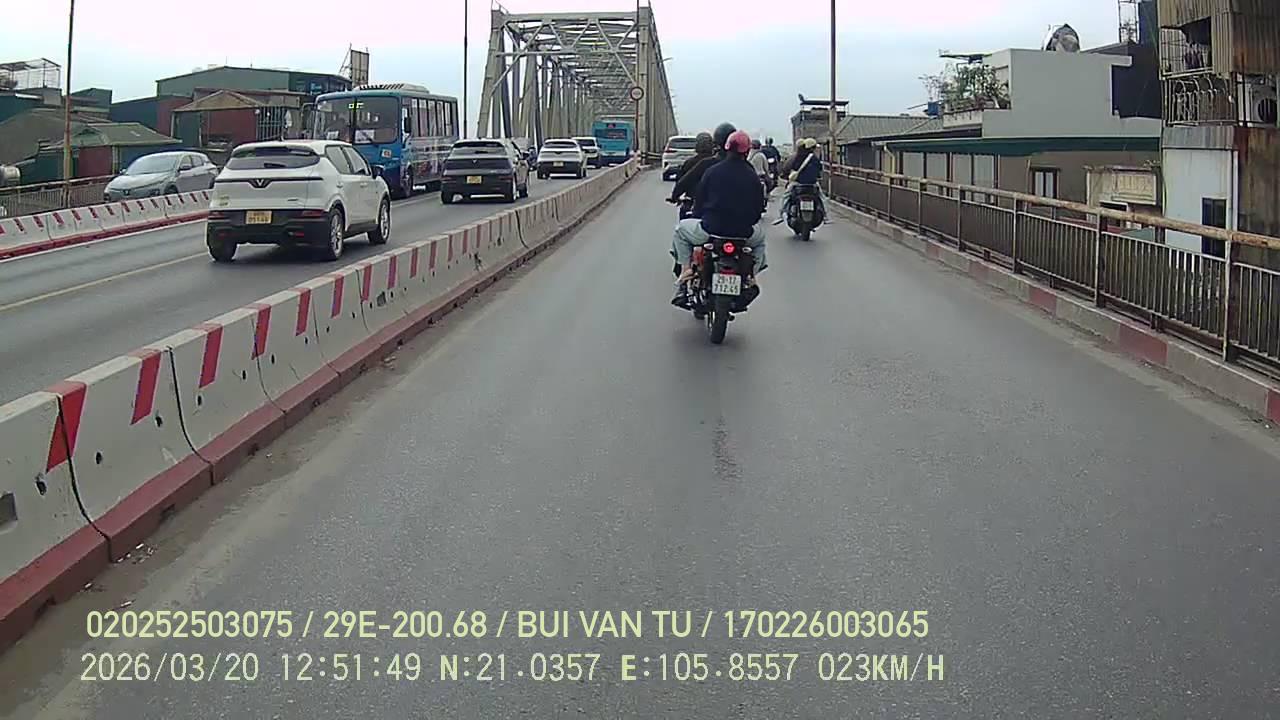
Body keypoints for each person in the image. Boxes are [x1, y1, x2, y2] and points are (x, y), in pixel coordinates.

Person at [670, 129, 768, 307]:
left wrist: (700, 215)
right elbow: (758, 209)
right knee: (760, 240)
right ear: (747, 151)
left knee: (680, 231)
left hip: (711, 230)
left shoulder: (712, 171)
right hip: (743, 233)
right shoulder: (752, 175)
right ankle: (751, 277)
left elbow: (699, 203)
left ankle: (686, 270)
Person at [669, 123, 735, 204]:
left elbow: (682, 183)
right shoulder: (743, 166)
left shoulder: (704, 164)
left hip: (705, 207)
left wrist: (674, 196)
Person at [782, 137, 825, 221]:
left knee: (786, 196)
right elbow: (820, 169)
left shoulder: (797, 157)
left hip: (798, 183)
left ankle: (782, 214)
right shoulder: (814, 158)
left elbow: (792, 167)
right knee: (822, 198)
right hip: (812, 184)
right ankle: (826, 216)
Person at [668, 132, 715, 201]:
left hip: (694, 200)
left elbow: (682, 182)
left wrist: (674, 196)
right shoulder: (718, 162)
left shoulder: (689, 163)